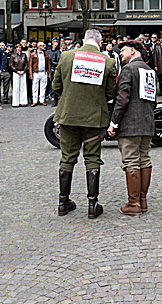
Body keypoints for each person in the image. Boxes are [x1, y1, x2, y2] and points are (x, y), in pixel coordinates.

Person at [51, 28, 117, 219]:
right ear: (100, 43)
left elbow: (56, 86)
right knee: (92, 158)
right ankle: (92, 205)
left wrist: (69, 98)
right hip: (94, 118)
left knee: (67, 158)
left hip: (68, 116)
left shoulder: (66, 56)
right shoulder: (107, 61)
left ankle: (63, 202)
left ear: (83, 40)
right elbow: (110, 92)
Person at [108, 40, 155, 215]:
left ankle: (133, 204)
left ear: (133, 51)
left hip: (130, 124)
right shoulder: (149, 70)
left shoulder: (128, 69)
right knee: (145, 159)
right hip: (147, 122)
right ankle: (142, 201)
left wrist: (114, 122)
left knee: (131, 161)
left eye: (123, 50)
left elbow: (122, 98)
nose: (120, 53)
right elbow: (153, 99)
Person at [8, 43, 29, 107]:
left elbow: (26, 64)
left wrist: (24, 70)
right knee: (16, 87)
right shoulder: (13, 55)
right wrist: (17, 71)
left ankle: (23, 101)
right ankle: (16, 102)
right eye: (17, 47)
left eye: (20, 47)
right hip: (16, 72)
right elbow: (11, 65)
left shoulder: (24, 55)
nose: (19, 49)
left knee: (23, 87)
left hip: (23, 72)